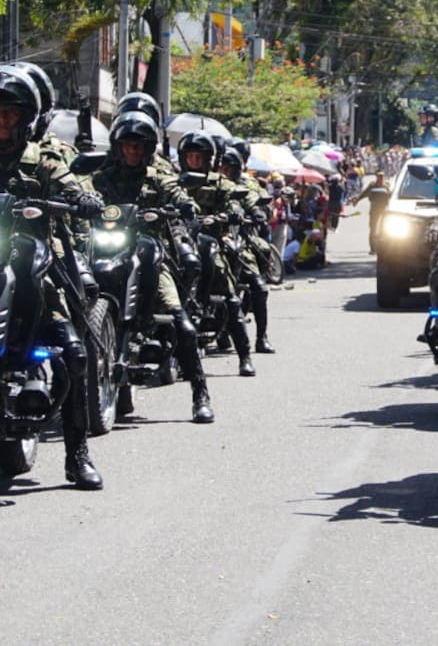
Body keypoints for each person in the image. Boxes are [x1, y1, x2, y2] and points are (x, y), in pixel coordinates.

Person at [0, 69, 105, 487]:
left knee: (74, 356)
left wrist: (81, 197)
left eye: (10, 115)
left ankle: (77, 456)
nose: (3, 123)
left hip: (32, 257)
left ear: (26, 118)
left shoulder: (43, 155)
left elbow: (67, 180)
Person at [87, 111, 213, 423]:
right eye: (128, 146)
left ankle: (200, 394)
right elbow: (82, 189)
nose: (132, 152)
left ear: (148, 150)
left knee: (180, 320)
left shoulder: (158, 176)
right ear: (118, 147)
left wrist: (185, 206)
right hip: (108, 247)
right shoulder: (102, 175)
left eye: (139, 147)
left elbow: (177, 190)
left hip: (149, 253)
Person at [177, 131, 257, 378]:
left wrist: (233, 212)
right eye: (189, 156)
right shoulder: (175, 181)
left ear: (209, 158)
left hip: (213, 241)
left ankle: (245, 355)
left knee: (230, 295)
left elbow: (235, 200)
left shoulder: (219, 183)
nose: (194, 161)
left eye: (198, 157)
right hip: (180, 241)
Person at [219, 149, 275, 355]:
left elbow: (255, 201)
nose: (225, 171)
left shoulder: (246, 185)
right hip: (212, 239)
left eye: (229, 168)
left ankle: (262, 337)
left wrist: (258, 212)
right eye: (221, 167)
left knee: (260, 287)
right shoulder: (206, 182)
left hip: (240, 241)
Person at [353, 171, 391, 255]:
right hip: (374, 210)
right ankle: (373, 249)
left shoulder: (387, 186)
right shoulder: (372, 186)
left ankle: (382, 248)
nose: (380, 178)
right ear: (376, 177)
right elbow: (364, 193)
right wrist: (357, 200)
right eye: (379, 176)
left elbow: (391, 196)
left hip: (384, 211)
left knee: (384, 230)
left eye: (382, 177)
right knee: (373, 229)